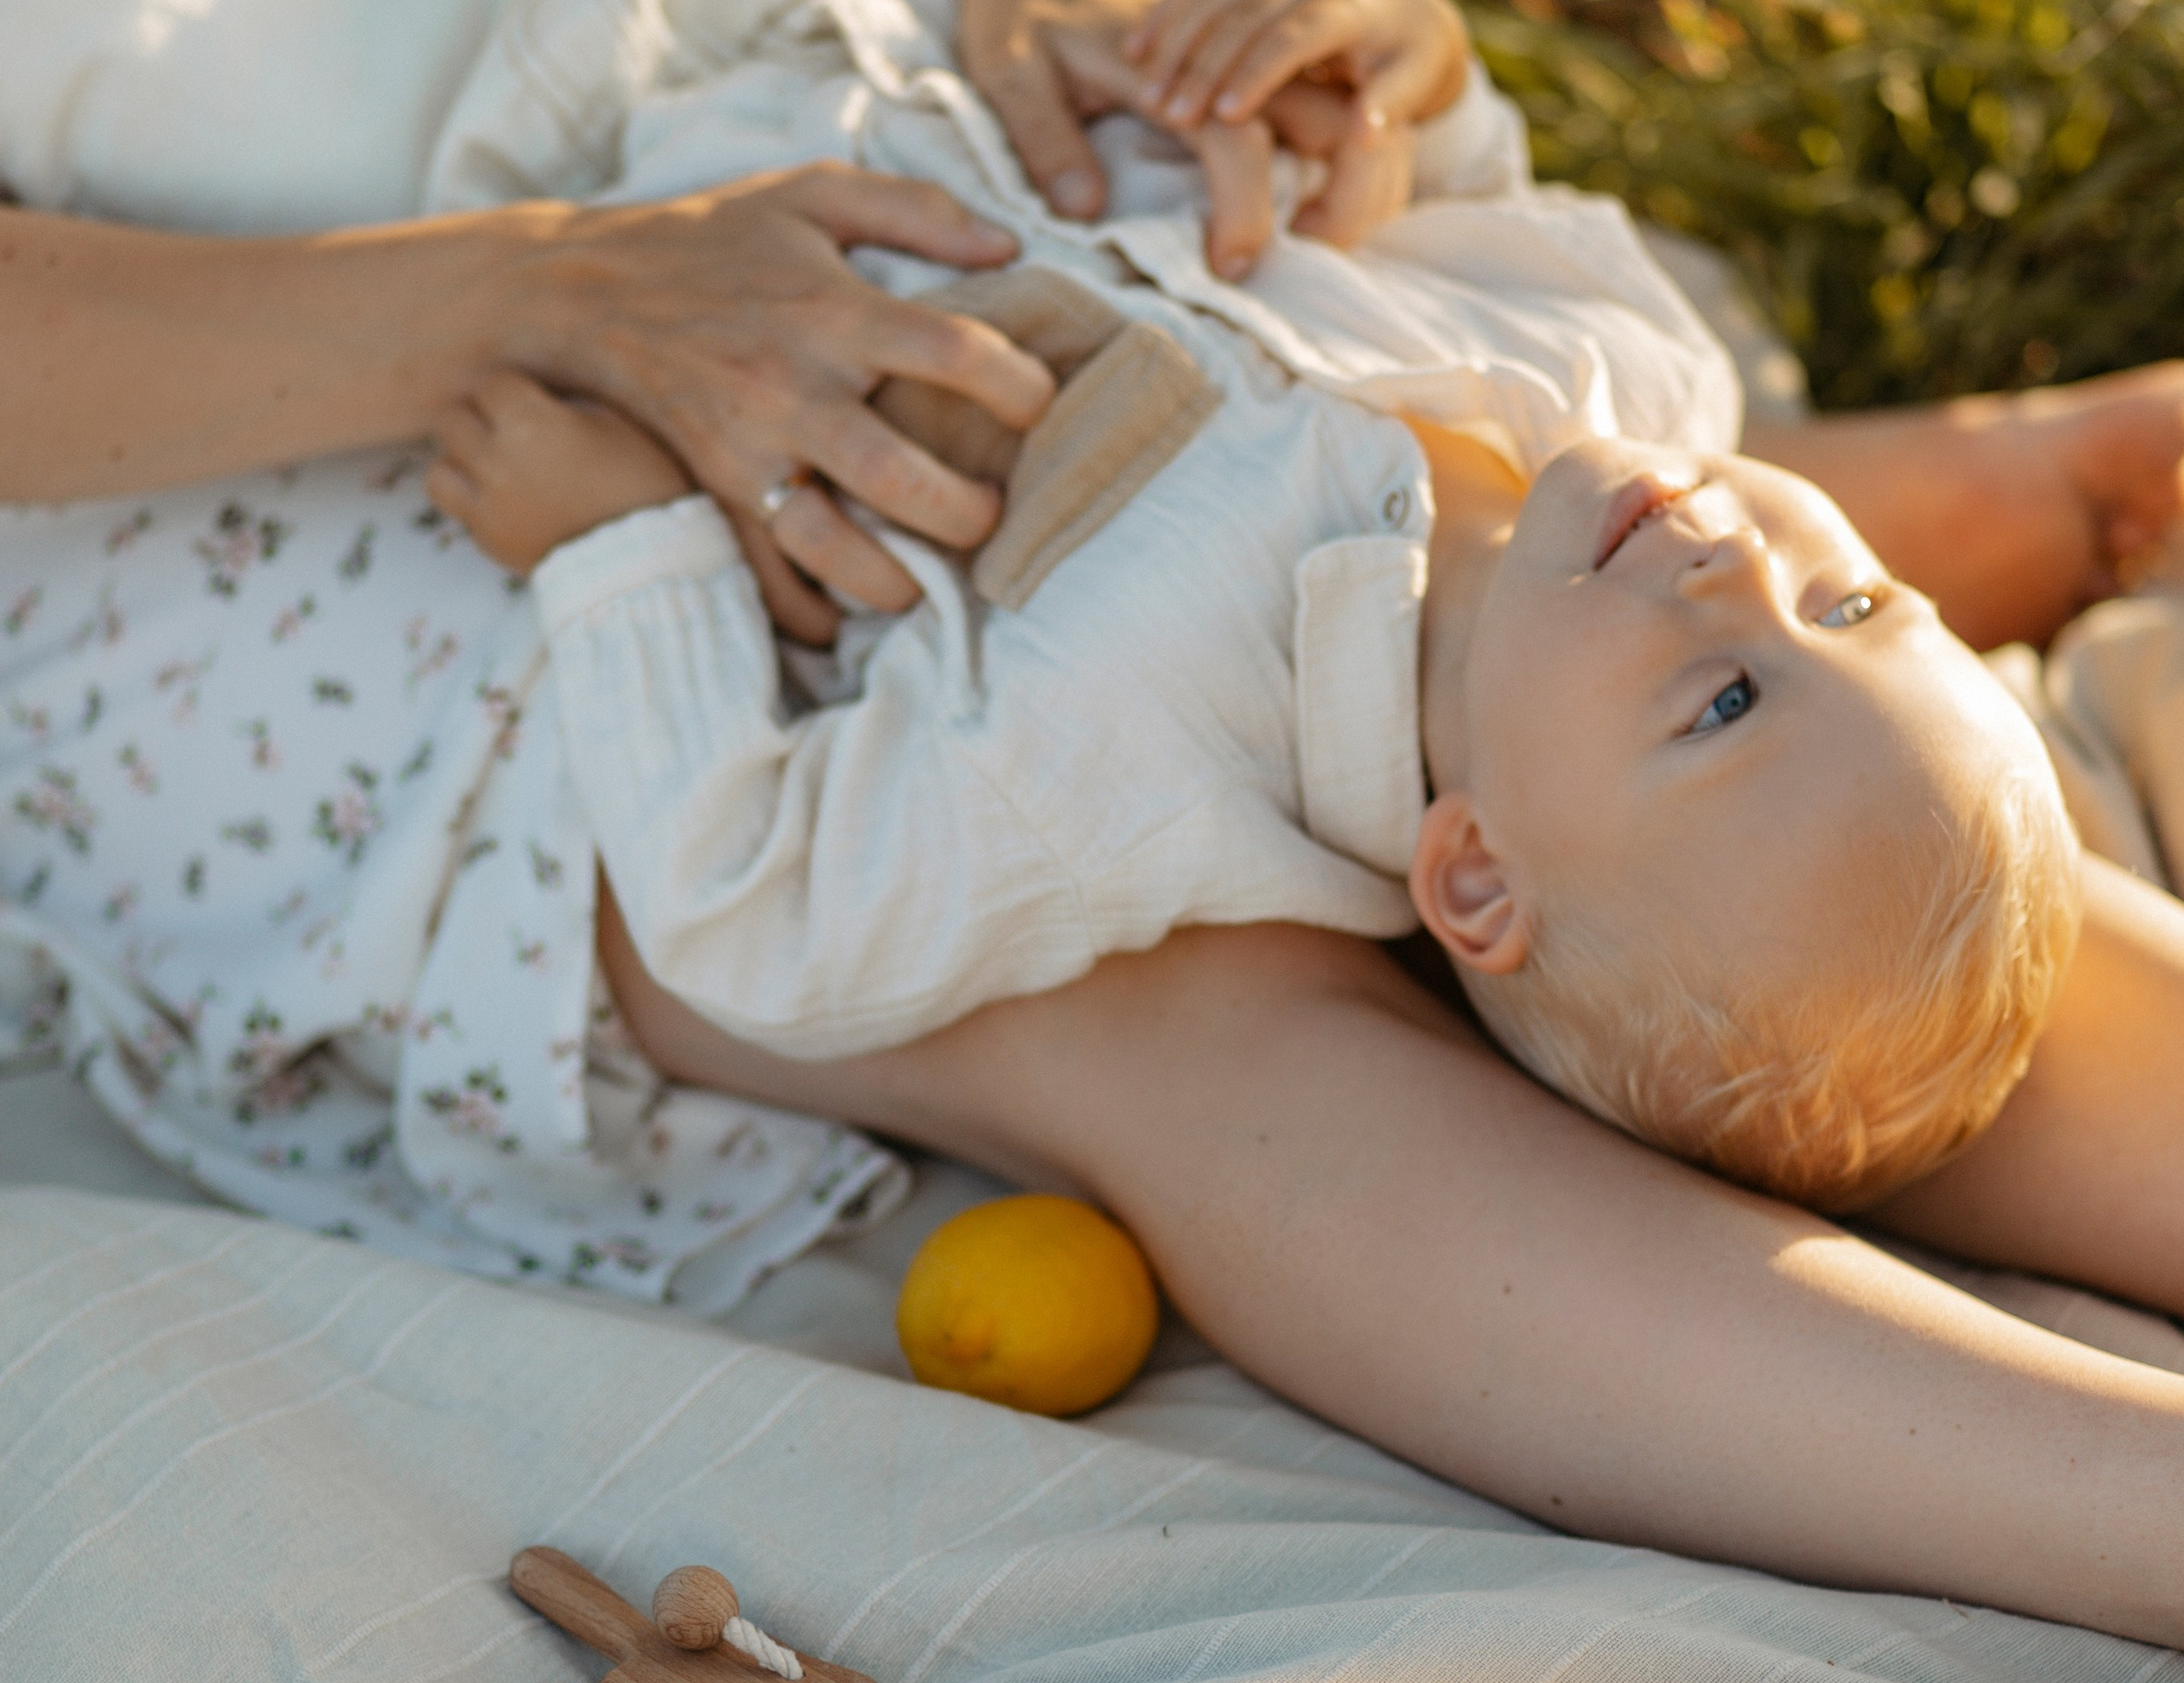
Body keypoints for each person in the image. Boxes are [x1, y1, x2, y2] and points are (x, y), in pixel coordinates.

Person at [14, 0, 2184, 1655]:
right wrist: (579, 392)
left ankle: (1870, 555)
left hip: (868, 120)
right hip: (326, 450)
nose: (1741, 571)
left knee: (1833, 875)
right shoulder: (1089, 717)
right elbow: (770, 880)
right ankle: (2131, 1512)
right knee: (1145, 968)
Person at [425, 305, 2077, 1214]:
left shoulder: (1143, 731)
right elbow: (1473, 211)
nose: (1742, 568)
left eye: (1719, 704)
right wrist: (1390, 64)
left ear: (1476, 871)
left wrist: (624, 550)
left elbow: (762, 918)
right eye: (1854, 601)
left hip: (595, 275)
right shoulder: (1620, 387)